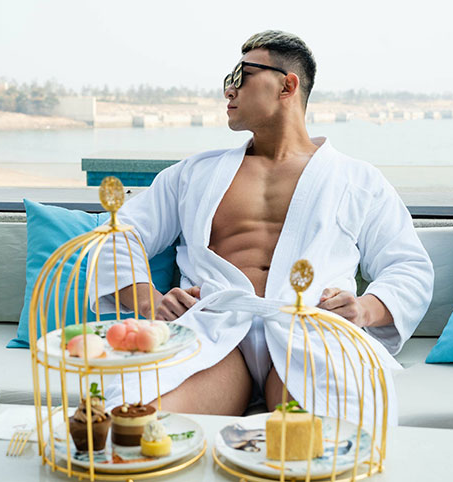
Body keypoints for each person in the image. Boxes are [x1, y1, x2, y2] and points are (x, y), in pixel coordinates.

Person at [91, 30, 433, 423]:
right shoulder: (193, 174)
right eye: (228, 80)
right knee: (134, 423)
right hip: (211, 329)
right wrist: (147, 301)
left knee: (328, 439)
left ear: (287, 86)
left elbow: (408, 267)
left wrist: (364, 310)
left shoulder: (357, 180)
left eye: (242, 76)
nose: (228, 90)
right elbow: (117, 234)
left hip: (312, 332)